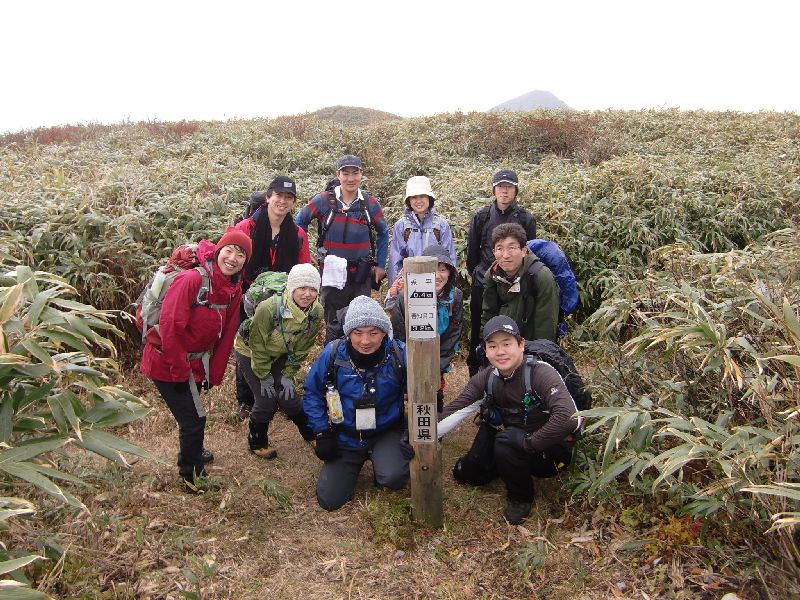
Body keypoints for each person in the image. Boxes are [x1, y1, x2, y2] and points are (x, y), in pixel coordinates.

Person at [140, 228, 251, 492]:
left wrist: (215, 372)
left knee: (192, 412)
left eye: (241, 254)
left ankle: (194, 451)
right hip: (165, 359)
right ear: (218, 251)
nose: (233, 258)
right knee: (193, 419)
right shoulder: (192, 279)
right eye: (229, 250)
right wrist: (179, 371)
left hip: (194, 363)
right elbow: (170, 325)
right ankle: (191, 477)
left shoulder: (233, 289)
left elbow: (227, 337)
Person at [440, 316, 581, 524]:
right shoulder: (487, 377)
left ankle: (520, 499)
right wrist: (416, 435)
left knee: (507, 441)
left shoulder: (541, 373)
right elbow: (454, 410)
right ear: (485, 351)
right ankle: (504, 463)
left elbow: (569, 419)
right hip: (513, 439)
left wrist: (529, 443)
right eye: (493, 345)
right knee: (466, 474)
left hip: (551, 453)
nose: (500, 351)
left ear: (521, 345)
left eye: (507, 344)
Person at [303, 295, 413, 511]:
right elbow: (312, 392)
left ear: (384, 332)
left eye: (373, 332)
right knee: (329, 500)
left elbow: (425, 392)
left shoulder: (400, 354)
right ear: (348, 333)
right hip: (345, 434)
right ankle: (352, 463)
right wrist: (322, 432)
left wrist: (412, 435)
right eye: (357, 333)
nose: (365, 341)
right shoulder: (333, 354)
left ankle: (384, 459)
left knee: (393, 478)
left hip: (385, 430)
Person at [233, 176, 311, 420]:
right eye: (278, 196)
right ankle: (246, 399)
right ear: (268, 197)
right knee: (245, 346)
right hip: (247, 299)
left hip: (282, 302)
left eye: (289, 198)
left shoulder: (297, 234)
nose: (283, 201)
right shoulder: (246, 228)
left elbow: (303, 270)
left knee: (281, 344)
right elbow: (231, 262)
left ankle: (278, 391)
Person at [295, 155, 390, 344]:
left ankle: (354, 361)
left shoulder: (369, 203)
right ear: (338, 175)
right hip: (331, 274)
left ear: (361, 175)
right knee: (333, 321)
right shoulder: (324, 200)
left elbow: (383, 231)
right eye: (345, 173)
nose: (350, 178)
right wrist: (306, 254)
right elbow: (300, 222)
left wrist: (380, 265)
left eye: (355, 173)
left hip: (361, 274)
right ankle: (332, 362)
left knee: (359, 319)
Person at [234, 264, 323, 458]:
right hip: (250, 351)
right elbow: (257, 345)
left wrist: (288, 374)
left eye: (312, 289)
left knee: (288, 395)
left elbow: (303, 346)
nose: (307, 294)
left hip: (281, 350)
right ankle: (256, 441)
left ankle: (310, 434)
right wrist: (264, 376)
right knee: (266, 400)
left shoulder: (316, 312)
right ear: (291, 288)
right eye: (302, 288)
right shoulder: (269, 308)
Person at [465, 169, 537, 375]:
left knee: (512, 325)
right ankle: (477, 370)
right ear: (494, 190)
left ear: (515, 191)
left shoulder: (525, 218)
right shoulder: (481, 217)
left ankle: (514, 370)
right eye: (500, 187)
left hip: (516, 282)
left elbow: (529, 252)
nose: (504, 191)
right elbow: (472, 253)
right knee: (480, 325)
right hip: (484, 282)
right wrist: (479, 275)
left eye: (509, 187)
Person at [385, 243, 463, 412]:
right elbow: (399, 337)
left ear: (450, 273)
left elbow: (453, 334)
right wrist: (411, 364)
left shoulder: (455, 297)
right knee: (410, 395)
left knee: (434, 395)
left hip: (438, 356)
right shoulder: (404, 299)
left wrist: (437, 365)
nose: (437, 275)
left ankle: (434, 423)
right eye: (432, 269)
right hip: (410, 357)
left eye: (443, 269)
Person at [480, 222, 559, 344]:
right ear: (493, 252)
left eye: (511, 248)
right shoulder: (492, 275)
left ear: (524, 251)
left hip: (531, 345)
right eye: (499, 249)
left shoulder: (541, 276)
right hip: (503, 346)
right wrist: (487, 345)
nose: (505, 255)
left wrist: (540, 354)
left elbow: (546, 326)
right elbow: (488, 315)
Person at [387, 176, 456, 286]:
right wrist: (395, 289)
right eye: (414, 197)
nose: (418, 201)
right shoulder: (401, 226)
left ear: (429, 197)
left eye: (422, 196)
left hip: (436, 283)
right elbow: (396, 261)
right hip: (410, 284)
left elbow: (449, 258)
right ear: (409, 200)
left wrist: (447, 288)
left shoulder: (441, 225)